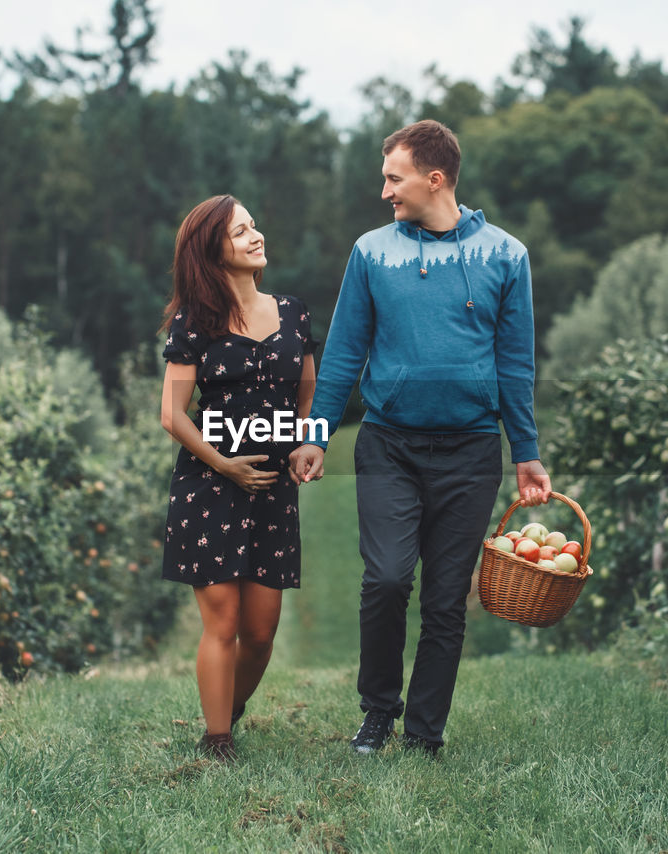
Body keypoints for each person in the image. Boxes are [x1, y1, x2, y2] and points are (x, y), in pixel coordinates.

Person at [288, 120, 550, 757]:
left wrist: (526, 452)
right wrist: (318, 434)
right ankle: (377, 713)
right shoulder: (371, 252)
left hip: (470, 452)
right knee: (384, 579)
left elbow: (516, 364)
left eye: (394, 177)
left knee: (444, 601)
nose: (385, 192)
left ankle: (425, 732)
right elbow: (345, 351)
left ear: (435, 179)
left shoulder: (506, 256)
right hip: (388, 445)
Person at [160, 195, 318, 762]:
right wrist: (222, 464)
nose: (256, 236)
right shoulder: (194, 321)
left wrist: (306, 443)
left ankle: (231, 707)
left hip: (273, 486)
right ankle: (217, 737)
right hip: (210, 484)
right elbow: (172, 414)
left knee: (261, 630)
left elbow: (309, 397)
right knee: (222, 618)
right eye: (240, 232)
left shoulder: (294, 312)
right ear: (213, 252)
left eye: (254, 225)